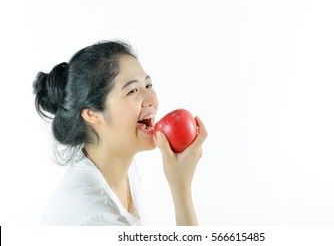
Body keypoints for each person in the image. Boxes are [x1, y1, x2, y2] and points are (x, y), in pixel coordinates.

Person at [33, 40, 207, 226]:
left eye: (148, 85)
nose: (151, 100)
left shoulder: (120, 165)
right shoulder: (94, 219)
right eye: (132, 91)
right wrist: (181, 187)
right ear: (92, 114)